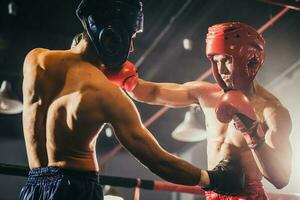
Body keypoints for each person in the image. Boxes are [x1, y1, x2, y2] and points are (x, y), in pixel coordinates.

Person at [18, 0, 220, 199]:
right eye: (130, 37)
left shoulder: (36, 61)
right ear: (111, 35)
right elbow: (158, 161)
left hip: (33, 187)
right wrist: (209, 179)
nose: (131, 48)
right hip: (76, 189)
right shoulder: (106, 94)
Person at [103, 22, 293, 199]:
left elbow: (281, 179)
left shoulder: (271, 111)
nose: (221, 69)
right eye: (216, 61)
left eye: (226, 60)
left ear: (251, 61)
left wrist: (252, 132)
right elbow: (152, 92)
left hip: (247, 194)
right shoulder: (206, 93)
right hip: (212, 192)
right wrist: (123, 76)